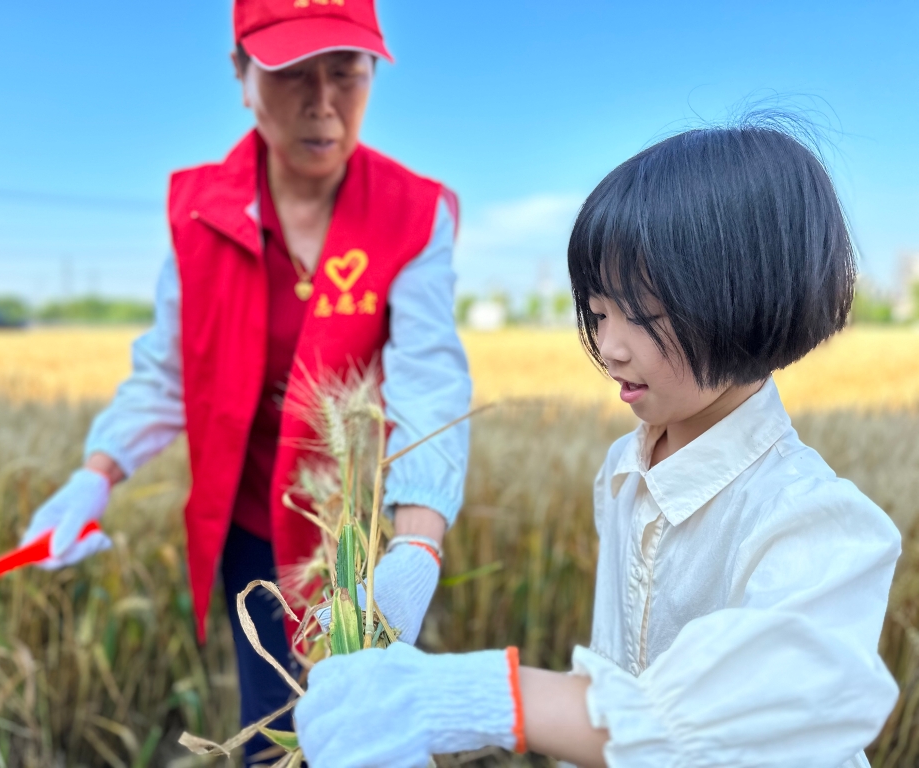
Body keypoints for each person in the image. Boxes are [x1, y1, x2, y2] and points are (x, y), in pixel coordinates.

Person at [293, 123, 901, 768]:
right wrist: (413, 553)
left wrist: (481, 700)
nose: (609, 347)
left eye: (639, 313)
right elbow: (619, 674)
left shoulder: (819, 525)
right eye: (598, 311)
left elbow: (743, 725)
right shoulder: (622, 469)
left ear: (747, 298)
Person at [19, 1, 471, 763]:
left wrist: (416, 547)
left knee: (360, 731)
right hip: (253, 526)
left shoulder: (412, 214)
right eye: (292, 72)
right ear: (240, 76)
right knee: (274, 721)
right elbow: (168, 370)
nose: (322, 102)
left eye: (347, 72)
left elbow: (429, 384)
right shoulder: (200, 212)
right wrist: (94, 476)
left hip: (357, 539)